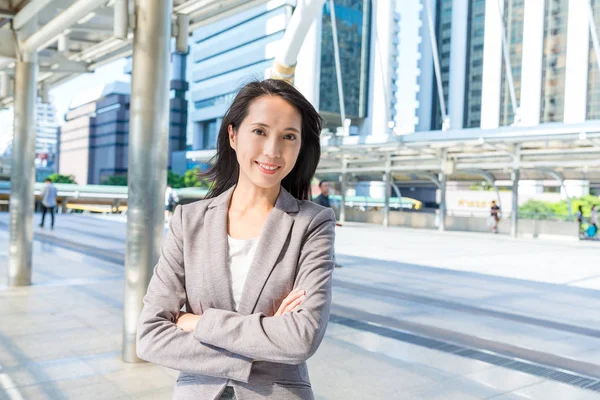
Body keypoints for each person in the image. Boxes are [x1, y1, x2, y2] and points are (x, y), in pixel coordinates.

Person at [136, 79, 335, 400]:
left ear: (300, 147)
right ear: (233, 134)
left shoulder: (312, 223)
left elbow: (301, 338)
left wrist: (198, 322)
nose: (272, 150)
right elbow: (150, 337)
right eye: (259, 131)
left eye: (288, 137)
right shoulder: (189, 221)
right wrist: (265, 337)